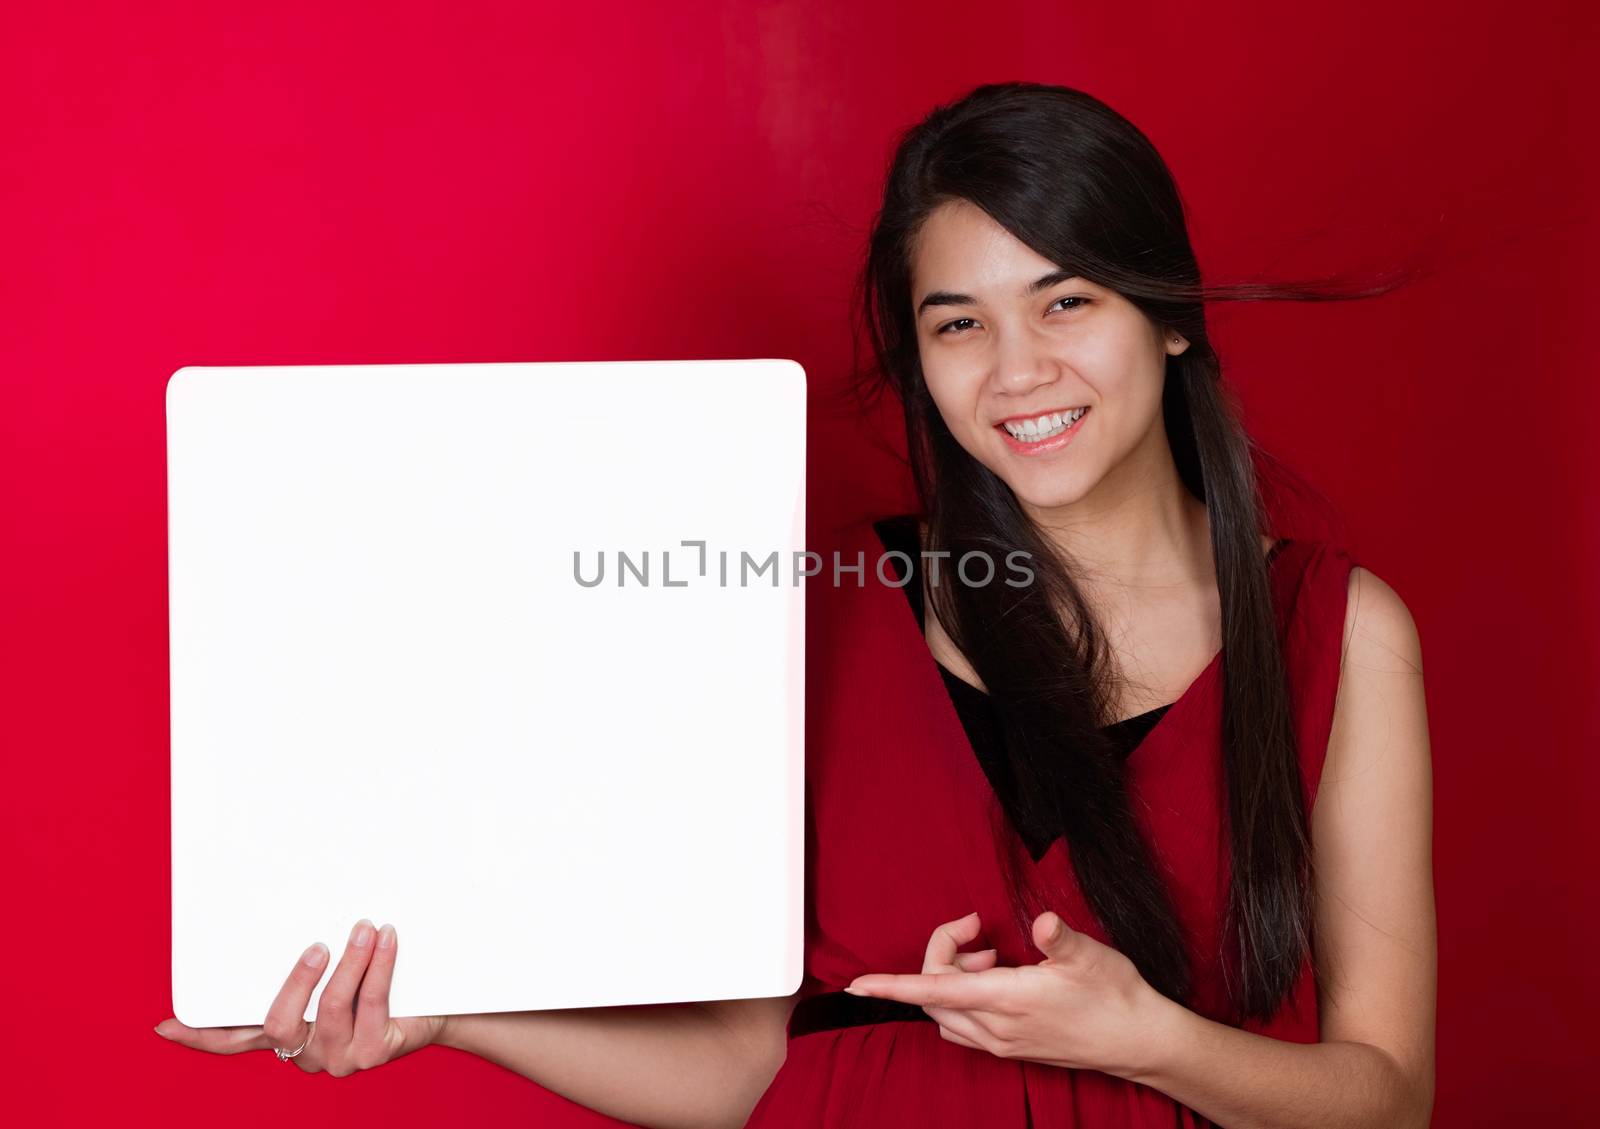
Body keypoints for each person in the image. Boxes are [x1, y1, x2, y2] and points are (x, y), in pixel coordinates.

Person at [155, 81, 1436, 1129]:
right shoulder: (809, 607)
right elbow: (747, 1066)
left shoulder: (1335, 631)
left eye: (1066, 300)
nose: (1017, 370)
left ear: (1166, 316)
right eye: (956, 324)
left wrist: (1148, 1040)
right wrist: (449, 1013)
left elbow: (1385, 1095)